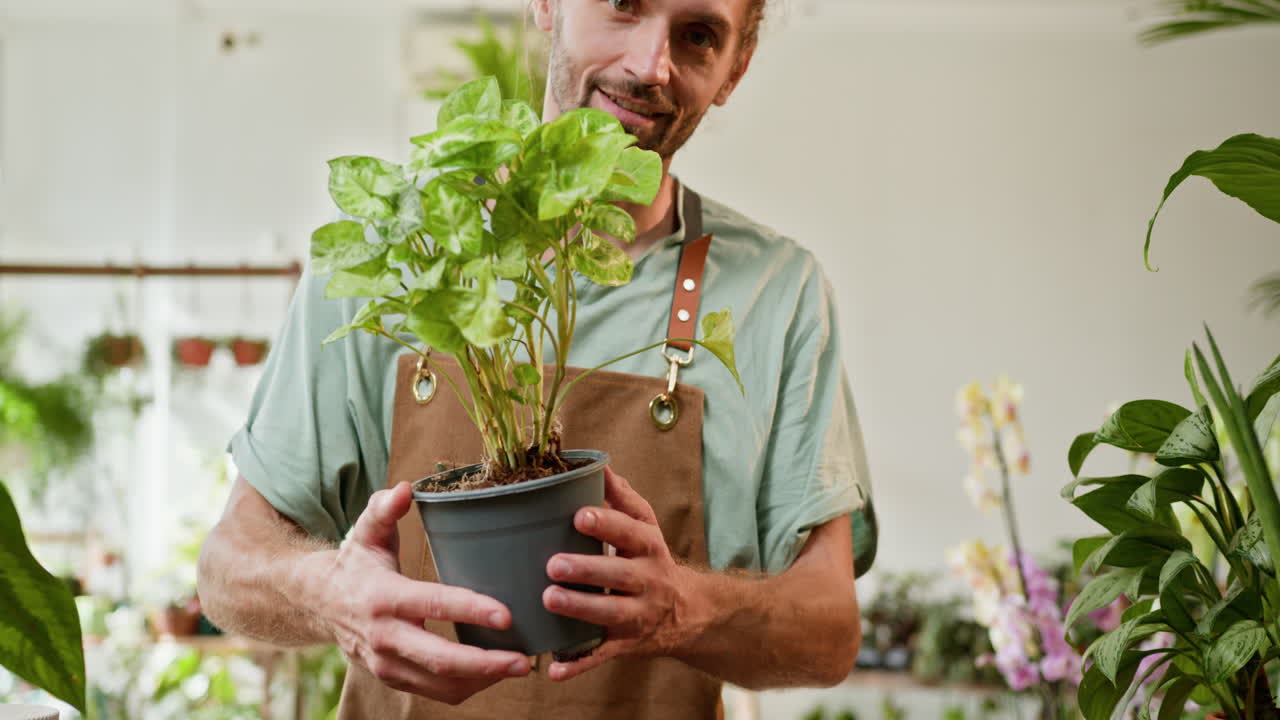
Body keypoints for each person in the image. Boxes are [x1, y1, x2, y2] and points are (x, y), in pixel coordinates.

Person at [197, 0, 876, 716]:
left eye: (698, 35)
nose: (652, 65)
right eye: (624, 5)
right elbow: (226, 566)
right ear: (547, 4)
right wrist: (328, 593)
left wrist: (686, 608)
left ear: (735, 69)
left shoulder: (778, 292)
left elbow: (829, 631)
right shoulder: (402, 252)